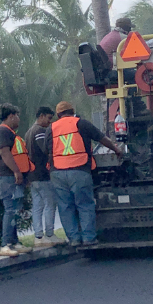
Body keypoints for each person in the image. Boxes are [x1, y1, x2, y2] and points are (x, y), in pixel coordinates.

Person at [49, 100, 124, 246]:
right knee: (84, 204)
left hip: (57, 172)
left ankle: (74, 239)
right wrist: (117, 150)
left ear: (58, 115)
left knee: (65, 207)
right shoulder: (81, 123)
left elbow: (47, 150)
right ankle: (89, 238)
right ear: (72, 111)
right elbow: (102, 139)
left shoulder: (51, 128)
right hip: (79, 170)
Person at [0, 103, 34, 257]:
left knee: (15, 210)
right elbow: (4, 153)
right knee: (10, 209)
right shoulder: (3, 131)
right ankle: (6, 244)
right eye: (17, 115)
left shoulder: (9, 132)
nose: (18, 119)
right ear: (10, 116)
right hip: (7, 177)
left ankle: (14, 242)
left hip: (13, 177)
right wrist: (17, 171)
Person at [23, 106, 60, 246]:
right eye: (49, 118)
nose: (50, 122)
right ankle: (49, 234)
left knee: (37, 206)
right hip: (42, 174)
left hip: (32, 175)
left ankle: (38, 236)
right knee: (50, 203)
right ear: (42, 116)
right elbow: (45, 150)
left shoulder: (28, 132)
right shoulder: (40, 131)